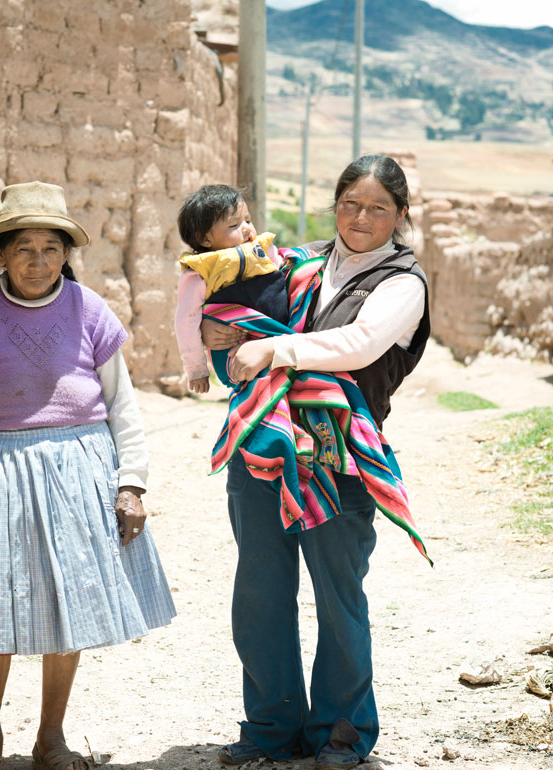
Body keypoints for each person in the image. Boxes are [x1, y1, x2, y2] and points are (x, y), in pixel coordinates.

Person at [0, 181, 176, 770]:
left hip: (77, 472)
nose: (39, 261)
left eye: (52, 248)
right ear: (0, 255)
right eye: (24, 248)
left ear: (67, 254)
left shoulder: (90, 312)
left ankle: (51, 739)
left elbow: (123, 405)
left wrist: (130, 482)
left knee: (69, 606)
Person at [201, 155, 431, 769]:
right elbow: (233, 311)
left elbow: (359, 344)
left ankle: (342, 732)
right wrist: (222, 334)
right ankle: (271, 729)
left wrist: (274, 347)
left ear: (400, 216)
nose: (361, 217)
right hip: (265, 445)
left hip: (342, 457)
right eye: (351, 203)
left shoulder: (402, 284)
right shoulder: (295, 263)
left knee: (338, 596)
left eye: (378, 208)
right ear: (334, 206)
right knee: (261, 591)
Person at [173, 184, 285, 393]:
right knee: (256, 392)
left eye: (248, 220)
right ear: (205, 239)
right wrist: (197, 368)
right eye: (234, 225)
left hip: (276, 338)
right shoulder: (200, 273)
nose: (247, 228)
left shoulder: (264, 250)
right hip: (232, 352)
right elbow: (186, 320)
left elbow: (286, 277)